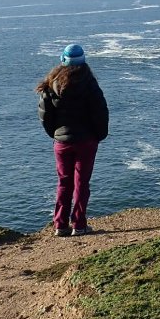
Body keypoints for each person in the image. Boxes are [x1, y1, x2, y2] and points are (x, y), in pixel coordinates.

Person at [37, 43, 109, 237]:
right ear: (83, 60)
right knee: (81, 183)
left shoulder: (51, 84)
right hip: (86, 141)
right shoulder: (90, 84)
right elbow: (101, 113)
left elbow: (45, 115)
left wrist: (55, 134)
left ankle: (60, 225)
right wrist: (99, 135)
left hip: (62, 142)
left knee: (64, 182)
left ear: (63, 60)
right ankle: (79, 225)